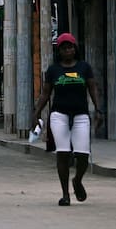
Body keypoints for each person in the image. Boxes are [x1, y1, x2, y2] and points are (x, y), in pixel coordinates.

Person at [31, 32, 101, 206]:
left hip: (81, 115)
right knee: (63, 153)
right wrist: (36, 112)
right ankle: (65, 194)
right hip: (59, 115)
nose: (67, 50)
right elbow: (46, 93)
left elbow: (93, 89)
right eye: (63, 48)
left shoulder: (84, 67)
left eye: (70, 47)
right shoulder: (53, 70)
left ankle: (77, 180)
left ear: (75, 48)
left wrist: (99, 109)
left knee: (83, 155)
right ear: (59, 51)